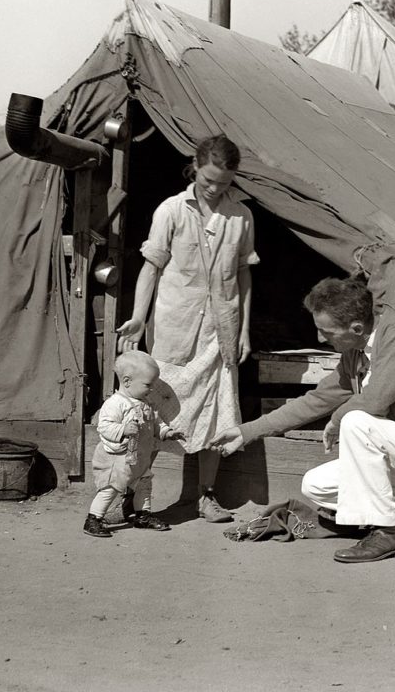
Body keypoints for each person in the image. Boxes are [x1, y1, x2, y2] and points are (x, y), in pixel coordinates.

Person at [209, 277, 395, 563]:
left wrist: (337, 419)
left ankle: (391, 533)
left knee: (356, 420)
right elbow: (315, 401)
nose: (320, 338)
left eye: (326, 331)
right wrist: (247, 431)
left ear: (356, 328)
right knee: (315, 485)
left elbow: (375, 401)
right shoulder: (355, 353)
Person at [117, 135, 258, 523]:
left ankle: (204, 496)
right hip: (175, 328)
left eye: (224, 183)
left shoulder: (241, 216)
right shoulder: (171, 210)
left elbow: (244, 274)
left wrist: (243, 329)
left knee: (215, 414)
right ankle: (136, 496)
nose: (214, 188)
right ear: (195, 167)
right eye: (208, 179)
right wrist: (139, 316)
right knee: (156, 415)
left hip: (220, 332)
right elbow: (152, 266)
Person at [84, 351, 183, 539]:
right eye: (148, 384)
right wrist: (122, 430)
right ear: (127, 381)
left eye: (154, 384)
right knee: (111, 488)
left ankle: (142, 515)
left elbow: (155, 423)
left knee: (144, 485)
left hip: (139, 458)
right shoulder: (115, 403)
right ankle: (94, 519)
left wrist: (166, 433)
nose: (152, 389)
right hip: (118, 459)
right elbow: (104, 427)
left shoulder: (145, 403)